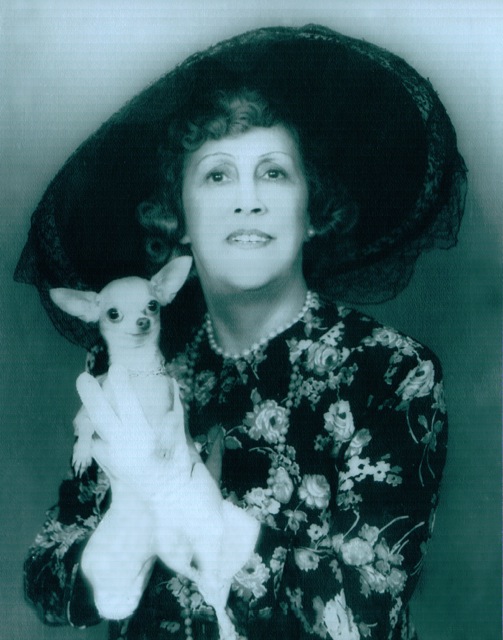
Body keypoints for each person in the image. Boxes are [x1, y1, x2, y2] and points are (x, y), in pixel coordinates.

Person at [17, 25, 466, 640]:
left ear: (313, 211)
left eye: (274, 173)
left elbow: (366, 615)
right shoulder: (133, 357)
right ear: (177, 217)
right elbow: (50, 577)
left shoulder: (389, 372)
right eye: (217, 176)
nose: (247, 200)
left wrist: (181, 495)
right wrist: (131, 516)